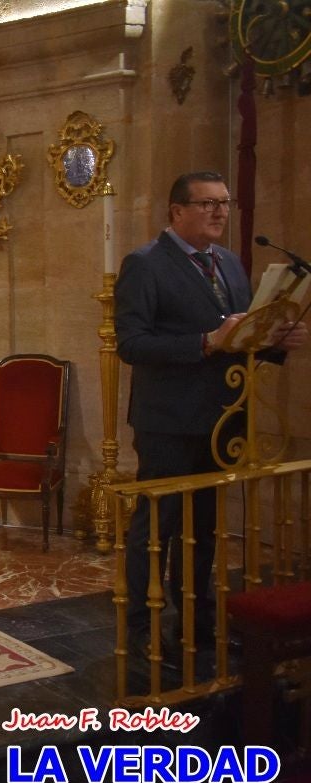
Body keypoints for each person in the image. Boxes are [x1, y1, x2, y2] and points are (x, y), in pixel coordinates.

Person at [115, 170, 308, 657]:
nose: (220, 211)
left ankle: (196, 618)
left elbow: (240, 338)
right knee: (157, 525)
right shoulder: (145, 264)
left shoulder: (229, 263)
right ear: (176, 212)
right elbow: (132, 344)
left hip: (223, 415)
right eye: (206, 204)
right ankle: (139, 625)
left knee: (203, 525)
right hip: (168, 419)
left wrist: (277, 342)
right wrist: (204, 341)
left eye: (224, 203)